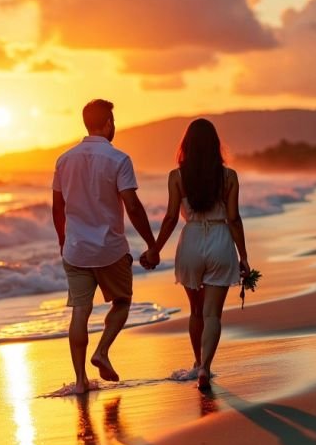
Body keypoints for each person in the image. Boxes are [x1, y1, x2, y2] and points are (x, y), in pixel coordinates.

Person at [52, 99, 159, 395]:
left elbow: (57, 207)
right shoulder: (119, 159)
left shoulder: (64, 159)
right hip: (109, 249)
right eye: (113, 120)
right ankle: (101, 351)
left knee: (80, 311)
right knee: (122, 301)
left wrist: (63, 240)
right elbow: (133, 206)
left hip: (75, 249)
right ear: (108, 123)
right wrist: (151, 243)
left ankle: (80, 380)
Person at [141, 118, 249, 391]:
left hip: (190, 242)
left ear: (186, 145)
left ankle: (197, 361)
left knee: (196, 311)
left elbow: (169, 218)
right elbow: (234, 219)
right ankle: (205, 368)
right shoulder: (229, 177)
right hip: (220, 239)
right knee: (212, 314)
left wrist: (155, 249)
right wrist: (243, 256)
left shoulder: (176, 176)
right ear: (215, 146)